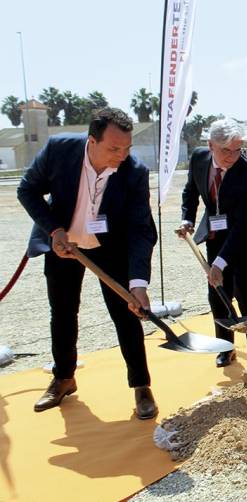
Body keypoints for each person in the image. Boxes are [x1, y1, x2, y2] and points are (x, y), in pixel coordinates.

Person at [18, 107, 159, 419]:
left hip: (110, 248)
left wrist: (138, 283)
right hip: (64, 244)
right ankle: (64, 377)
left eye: (127, 148)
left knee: (126, 314)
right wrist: (54, 230)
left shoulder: (133, 171)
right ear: (91, 141)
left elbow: (141, 229)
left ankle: (141, 385)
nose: (121, 155)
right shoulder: (59, 151)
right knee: (64, 312)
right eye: (113, 148)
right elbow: (27, 189)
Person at [177, 118, 247, 372]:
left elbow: (243, 227)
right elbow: (190, 191)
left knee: (245, 294)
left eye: (237, 149)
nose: (232, 156)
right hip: (216, 234)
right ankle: (224, 346)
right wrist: (187, 218)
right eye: (225, 151)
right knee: (217, 294)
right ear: (210, 145)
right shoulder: (199, 159)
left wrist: (220, 263)